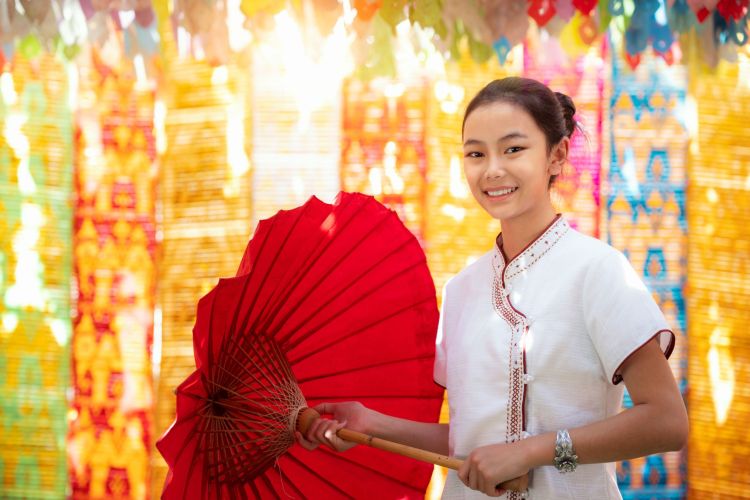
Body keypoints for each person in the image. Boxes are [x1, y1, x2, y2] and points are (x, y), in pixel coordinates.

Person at [297, 77, 688, 499]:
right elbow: (469, 443)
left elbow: (666, 421)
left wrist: (531, 452)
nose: (492, 169)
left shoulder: (599, 271)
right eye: (476, 154)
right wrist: (372, 424)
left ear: (557, 155)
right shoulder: (461, 290)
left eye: (513, 149)